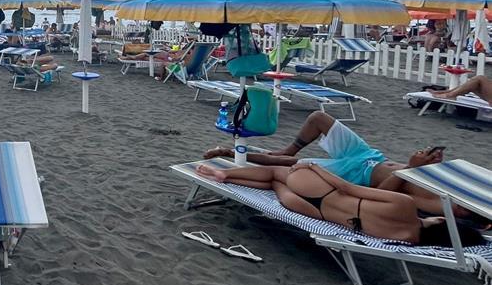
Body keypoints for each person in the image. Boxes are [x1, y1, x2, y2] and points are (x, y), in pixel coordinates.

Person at [202, 110, 474, 220]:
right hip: (369, 155)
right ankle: (287, 148)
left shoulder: (444, 205)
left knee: (291, 165)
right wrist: (429, 163)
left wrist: (412, 168)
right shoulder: (451, 184)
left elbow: (389, 195)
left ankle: (229, 153)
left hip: (355, 176)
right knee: (319, 118)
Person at [195, 162, 484, 246]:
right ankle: (229, 178)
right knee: (274, 184)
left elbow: (346, 187)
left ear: (444, 222)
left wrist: (312, 167)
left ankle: (226, 174)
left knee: (279, 173)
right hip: (310, 210)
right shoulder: (406, 238)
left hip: (325, 194)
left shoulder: (404, 205)